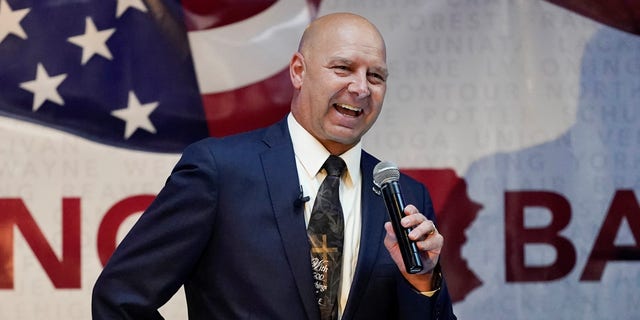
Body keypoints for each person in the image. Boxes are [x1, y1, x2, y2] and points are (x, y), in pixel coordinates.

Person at [92, 12, 456, 319]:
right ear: (298, 71)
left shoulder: (406, 197)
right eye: (343, 68)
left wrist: (423, 280)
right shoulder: (220, 171)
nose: (360, 88)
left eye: (375, 76)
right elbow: (119, 298)